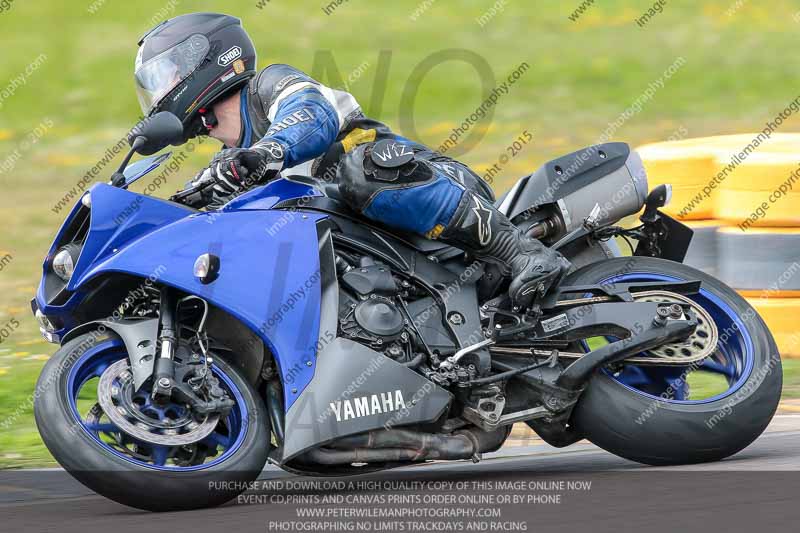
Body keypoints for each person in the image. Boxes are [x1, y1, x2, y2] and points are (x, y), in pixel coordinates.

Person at [134, 12, 569, 308]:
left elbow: (313, 117)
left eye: (165, 76)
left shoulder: (271, 86)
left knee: (359, 171)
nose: (160, 92)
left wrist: (266, 153)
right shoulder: (229, 163)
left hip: (429, 185)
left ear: (206, 61)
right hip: (378, 250)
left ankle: (520, 251)